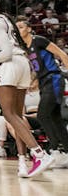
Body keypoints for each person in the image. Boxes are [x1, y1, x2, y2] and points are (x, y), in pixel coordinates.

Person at [0, 0, 52, 178]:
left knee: (8, 114)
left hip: (9, 65)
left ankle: (39, 153)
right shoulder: (10, 21)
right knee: (17, 116)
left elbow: (5, 52)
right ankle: (22, 161)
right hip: (23, 64)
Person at [16, 17, 68, 168]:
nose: (18, 30)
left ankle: (54, 151)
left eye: (21, 27)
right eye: (17, 28)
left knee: (42, 115)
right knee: (56, 119)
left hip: (54, 79)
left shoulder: (38, 40)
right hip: (44, 82)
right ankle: (65, 153)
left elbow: (62, 55)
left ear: (29, 29)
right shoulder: (25, 48)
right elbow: (36, 68)